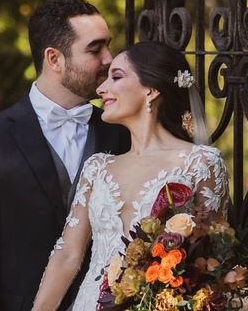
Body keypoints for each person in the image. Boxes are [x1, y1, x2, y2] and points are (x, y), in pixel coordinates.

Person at [0, 0, 131, 311]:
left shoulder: (121, 133)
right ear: (54, 59)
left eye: (108, 46)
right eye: (95, 49)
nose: (109, 59)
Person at [31, 41, 229, 310]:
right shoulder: (97, 168)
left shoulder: (201, 163)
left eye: (116, 77)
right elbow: (68, 254)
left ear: (150, 90)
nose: (101, 89)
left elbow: (212, 258)